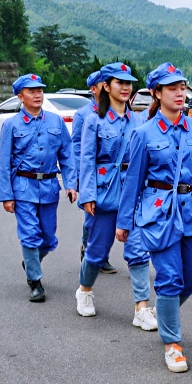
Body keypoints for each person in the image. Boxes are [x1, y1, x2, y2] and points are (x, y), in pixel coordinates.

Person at [117, 63, 192, 373]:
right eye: (172, 88)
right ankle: (172, 344)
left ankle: (164, 312)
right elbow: (133, 182)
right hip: (158, 212)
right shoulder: (143, 133)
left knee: (191, 277)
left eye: (182, 87)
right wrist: (125, 223)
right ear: (156, 93)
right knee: (170, 278)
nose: (180, 93)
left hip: (191, 210)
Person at [74, 63, 157, 330]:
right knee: (97, 252)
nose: (125, 87)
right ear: (106, 86)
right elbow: (86, 159)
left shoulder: (139, 120)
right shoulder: (93, 120)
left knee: (138, 252)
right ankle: (85, 289)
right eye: (119, 82)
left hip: (133, 193)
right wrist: (87, 195)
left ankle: (141, 308)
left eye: (128, 83)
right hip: (105, 193)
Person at [0, 74, 77, 303]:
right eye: (31, 91)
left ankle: (30, 260)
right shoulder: (11, 125)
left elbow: (67, 155)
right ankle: (35, 281)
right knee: (30, 235)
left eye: (40, 90)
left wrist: (71, 184)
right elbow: (4, 163)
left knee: (49, 239)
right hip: (23, 187)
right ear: (20, 97)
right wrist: (6, 196)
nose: (37, 94)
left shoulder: (55, 121)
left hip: (50, 186)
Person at [73, 71, 116, 273]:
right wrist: (78, 177)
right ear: (94, 89)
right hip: (91, 173)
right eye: (103, 85)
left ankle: (102, 255)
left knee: (111, 218)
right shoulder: (84, 115)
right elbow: (77, 147)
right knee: (92, 218)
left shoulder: (119, 112)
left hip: (114, 176)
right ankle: (88, 248)